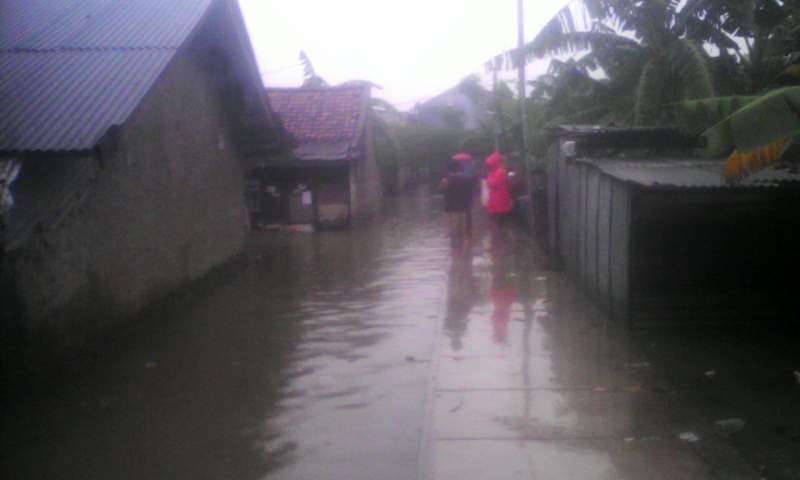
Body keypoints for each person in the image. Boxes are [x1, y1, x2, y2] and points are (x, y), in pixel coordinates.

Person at [440, 159, 474, 253]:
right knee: (462, 232)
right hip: (463, 210)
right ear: (459, 169)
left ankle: (455, 254)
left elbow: (441, 193)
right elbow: (470, 195)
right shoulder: (466, 180)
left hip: (450, 211)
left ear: (449, 170)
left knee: (453, 233)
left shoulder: (446, 181)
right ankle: (463, 252)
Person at [484, 151, 513, 251]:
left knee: (495, 224)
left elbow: (492, 184)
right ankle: (499, 243)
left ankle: (498, 244)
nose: (488, 166)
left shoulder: (499, 172)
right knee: (498, 223)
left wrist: (488, 180)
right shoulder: (496, 172)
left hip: (498, 203)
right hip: (498, 202)